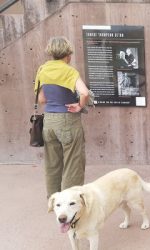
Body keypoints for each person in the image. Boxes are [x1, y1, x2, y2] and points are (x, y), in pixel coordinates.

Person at [34, 36, 89, 198]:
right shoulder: (68, 70)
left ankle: (54, 199)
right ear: (68, 54)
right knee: (73, 162)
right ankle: (69, 200)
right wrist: (79, 105)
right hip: (67, 120)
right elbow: (84, 93)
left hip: (49, 121)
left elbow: (42, 99)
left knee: (52, 163)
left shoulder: (42, 70)